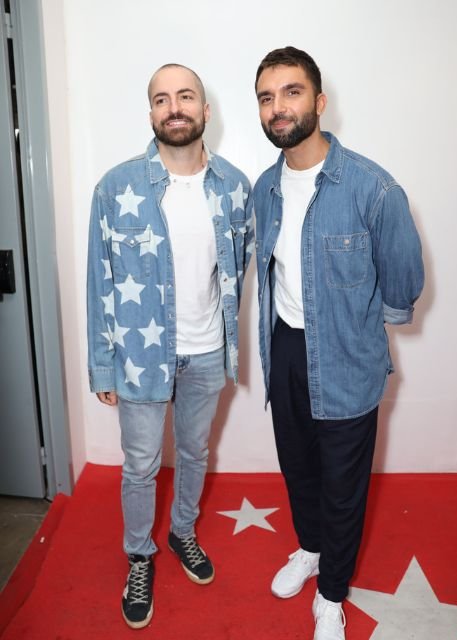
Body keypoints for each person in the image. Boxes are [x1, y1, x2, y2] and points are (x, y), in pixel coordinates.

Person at [251, 46, 424, 640]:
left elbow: (404, 280)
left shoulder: (373, 188)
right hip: (284, 349)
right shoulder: (264, 190)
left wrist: (361, 324)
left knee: (344, 484)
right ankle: (310, 548)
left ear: (319, 102)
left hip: (348, 356)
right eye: (267, 97)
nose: (279, 108)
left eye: (291, 92)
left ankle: (333, 594)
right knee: (297, 468)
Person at [86, 63, 253, 629]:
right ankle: (140, 554)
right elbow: (98, 281)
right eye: (162, 99)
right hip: (139, 356)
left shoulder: (235, 186)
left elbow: (239, 264)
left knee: (195, 454)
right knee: (140, 465)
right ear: (151, 112)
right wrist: (102, 364)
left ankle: (182, 532)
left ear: (206, 111)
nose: (173, 107)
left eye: (185, 97)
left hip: (207, 352)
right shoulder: (116, 187)